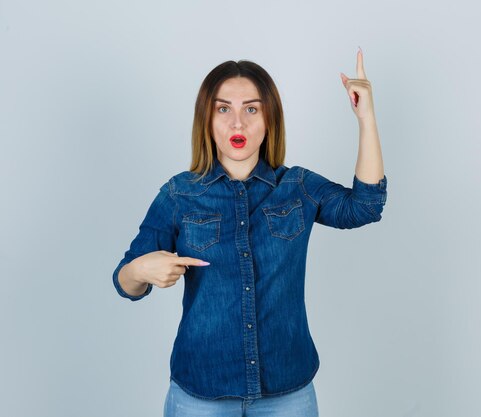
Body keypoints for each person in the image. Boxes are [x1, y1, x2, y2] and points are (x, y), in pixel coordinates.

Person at [112, 47, 387, 417]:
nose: (237, 124)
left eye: (251, 109)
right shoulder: (179, 195)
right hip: (201, 393)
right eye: (223, 109)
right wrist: (142, 271)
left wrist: (366, 117)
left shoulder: (298, 186)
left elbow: (365, 206)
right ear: (207, 120)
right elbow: (125, 281)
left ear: (269, 120)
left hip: (287, 390)